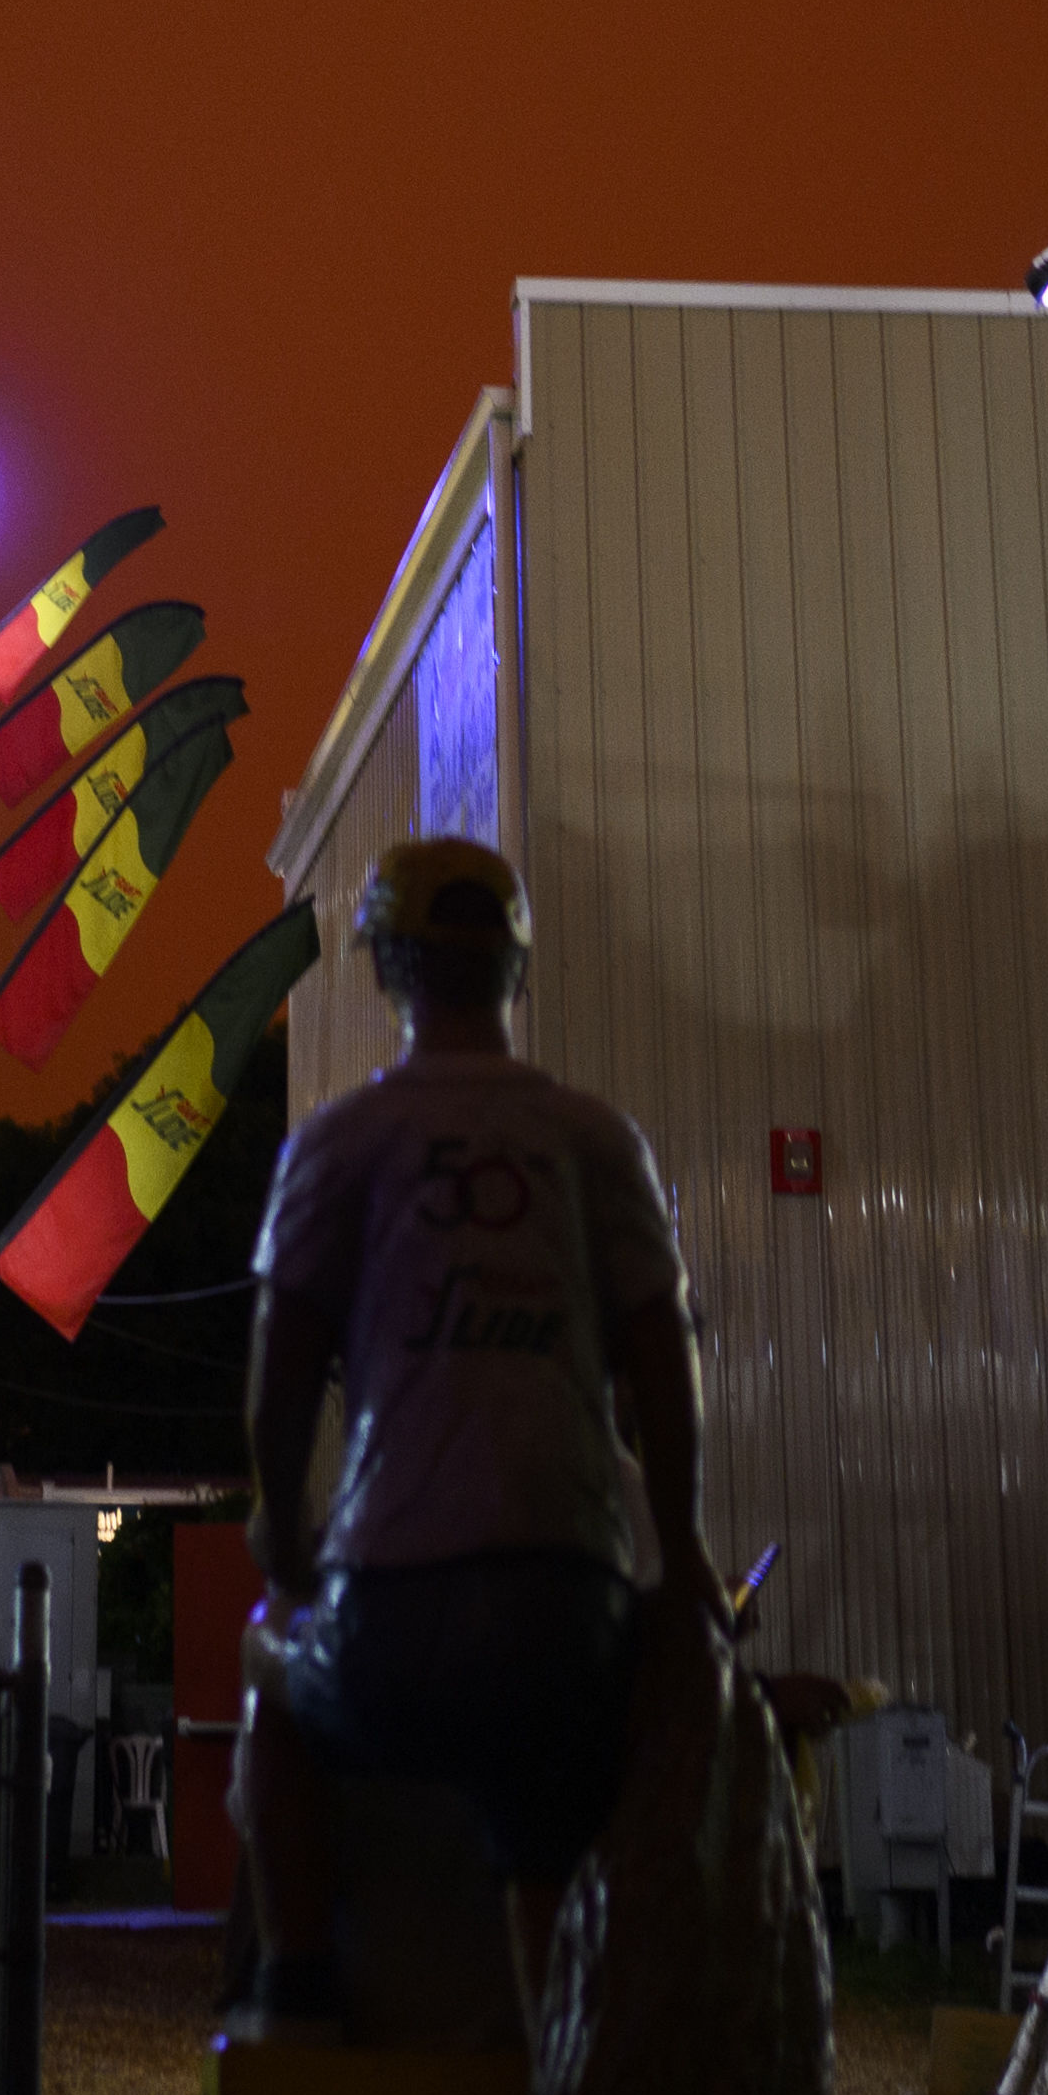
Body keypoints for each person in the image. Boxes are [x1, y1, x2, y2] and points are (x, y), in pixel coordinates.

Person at [235, 836, 697, 2025]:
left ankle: (297, 1976)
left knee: (274, 1681)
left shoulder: (337, 1145)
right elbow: (664, 1357)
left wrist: (283, 1534)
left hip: (392, 1614)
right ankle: (551, 2074)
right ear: (516, 968)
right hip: (566, 1606)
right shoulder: (599, 1141)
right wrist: (684, 1552)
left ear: (386, 968)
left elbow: (280, 1376)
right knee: (543, 1811)